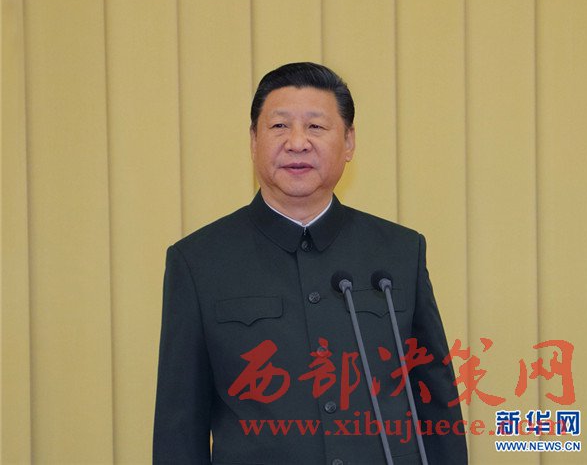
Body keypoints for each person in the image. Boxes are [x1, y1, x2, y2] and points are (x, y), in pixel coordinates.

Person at [153, 62, 468, 465]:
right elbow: (179, 427)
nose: (297, 142)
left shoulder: (400, 251)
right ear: (253, 141)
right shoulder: (198, 261)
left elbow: (436, 401)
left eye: (316, 126)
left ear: (349, 142)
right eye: (279, 126)